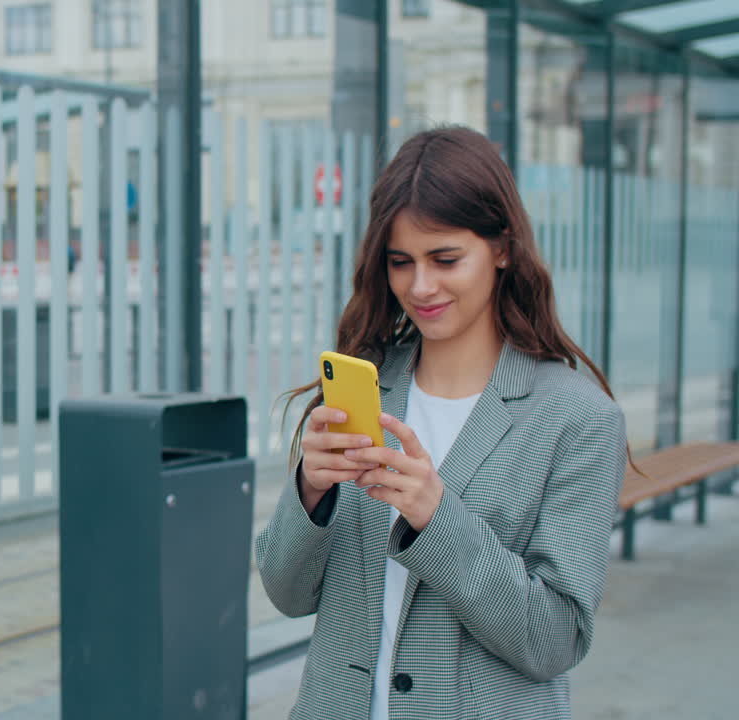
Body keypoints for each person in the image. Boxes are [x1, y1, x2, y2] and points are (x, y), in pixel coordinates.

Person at [255, 126, 627, 720]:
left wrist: (437, 518)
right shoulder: (367, 386)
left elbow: (555, 639)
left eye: (445, 259)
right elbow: (286, 592)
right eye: (401, 263)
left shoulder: (578, 418)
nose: (420, 286)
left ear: (502, 248)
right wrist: (310, 491)